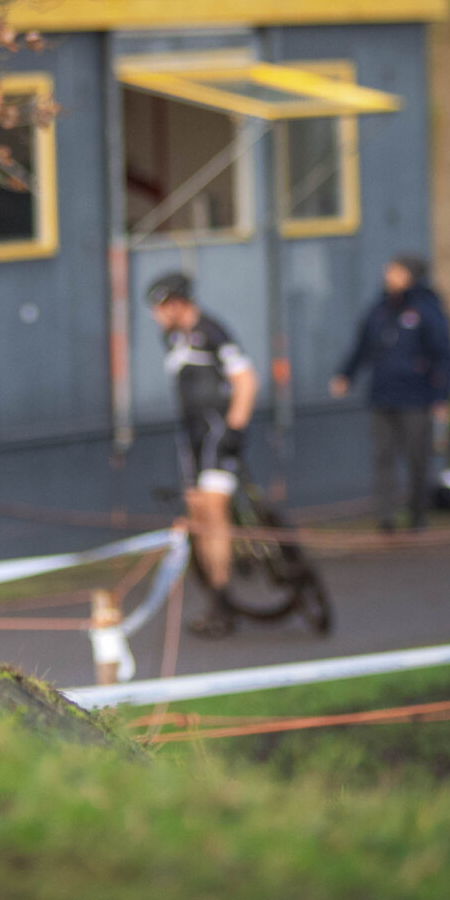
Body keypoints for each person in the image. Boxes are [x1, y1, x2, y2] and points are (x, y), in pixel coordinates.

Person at [144, 272, 260, 635]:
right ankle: (215, 590)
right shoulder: (170, 337)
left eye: (160, 308)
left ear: (178, 304)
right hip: (189, 435)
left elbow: (246, 380)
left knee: (213, 510)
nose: (155, 316)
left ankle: (223, 597)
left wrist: (236, 429)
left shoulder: (213, 331)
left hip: (217, 431)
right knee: (195, 514)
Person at [331, 254, 450, 533]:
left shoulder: (428, 309)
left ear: (410, 275)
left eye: (396, 271)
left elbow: (444, 356)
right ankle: (385, 517)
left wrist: (442, 396)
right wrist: (346, 375)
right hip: (382, 397)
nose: (389, 275)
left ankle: (417, 515)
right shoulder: (380, 308)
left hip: (416, 399)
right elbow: (363, 346)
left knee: (417, 459)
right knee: (383, 458)